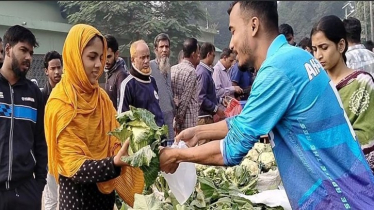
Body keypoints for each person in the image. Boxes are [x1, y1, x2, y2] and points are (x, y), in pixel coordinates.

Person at [159, 1, 374, 210]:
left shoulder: (276, 70)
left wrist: (176, 155)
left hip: (340, 198)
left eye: (233, 31)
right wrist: (200, 131)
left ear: (254, 25)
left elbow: (230, 150)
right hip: (355, 190)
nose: (231, 44)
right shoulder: (295, 56)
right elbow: (247, 120)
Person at [44, 24, 144, 210]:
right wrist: (113, 163)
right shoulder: (61, 102)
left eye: (101, 57)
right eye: (92, 57)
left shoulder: (102, 99)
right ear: (74, 56)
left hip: (105, 197)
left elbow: (117, 138)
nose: (99, 64)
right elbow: (73, 166)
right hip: (77, 201)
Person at [311, 15, 374, 172]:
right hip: (325, 174)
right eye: (314, 49)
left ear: (340, 45)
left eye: (324, 48)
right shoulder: (316, 87)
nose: (318, 55)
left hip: (358, 175)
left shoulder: (362, 83)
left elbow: (367, 137)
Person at [0, 25, 47, 210]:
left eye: (31, 52)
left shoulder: (34, 93)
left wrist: (39, 184)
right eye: (23, 50)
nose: (28, 57)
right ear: (8, 49)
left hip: (26, 191)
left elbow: (40, 142)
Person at [117, 40, 165, 129]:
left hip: (160, 138)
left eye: (148, 57)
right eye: (142, 58)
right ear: (133, 59)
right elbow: (122, 119)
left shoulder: (152, 81)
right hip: (142, 141)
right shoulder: (128, 85)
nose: (146, 61)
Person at [41, 50, 63, 210]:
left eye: (59, 67)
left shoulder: (68, 93)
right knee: (51, 198)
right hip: (50, 155)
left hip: (68, 153)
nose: (56, 72)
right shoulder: (42, 96)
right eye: (53, 68)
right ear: (46, 71)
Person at [196, 42, 225, 144]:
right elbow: (201, 98)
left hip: (207, 117)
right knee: (203, 147)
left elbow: (209, 94)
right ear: (208, 54)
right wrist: (216, 109)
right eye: (213, 55)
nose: (214, 58)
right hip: (203, 118)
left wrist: (221, 100)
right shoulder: (203, 73)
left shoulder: (206, 71)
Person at [150, 33, 175, 146]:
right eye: (161, 47)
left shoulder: (168, 67)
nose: (164, 50)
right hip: (157, 117)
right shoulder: (150, 67)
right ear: (156, 49)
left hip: (169, 116)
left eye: (167, 47)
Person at [171, 38, 200, 134]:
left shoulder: (172, 69)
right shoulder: (191, 72)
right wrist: (179, 123)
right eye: (198, 52)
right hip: (187, 123)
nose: (199, 55)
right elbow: (184, 101)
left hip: (174, 122)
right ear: (193, 54)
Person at [104, 34, 128, 109]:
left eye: (109, 56)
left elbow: (123, 107)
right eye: (103, 57)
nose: (105, 61)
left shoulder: (121, 75)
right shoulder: (109, 71)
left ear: (116, 54)